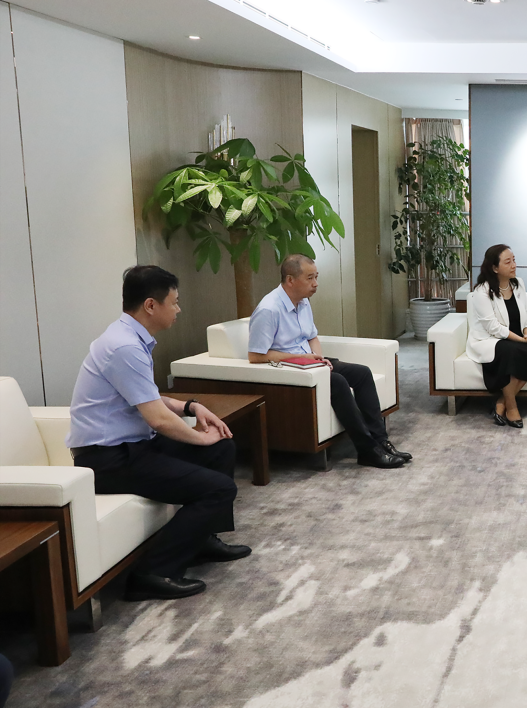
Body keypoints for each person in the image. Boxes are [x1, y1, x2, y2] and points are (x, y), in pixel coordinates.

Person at [67, 266, 250, 601]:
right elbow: (158, 420)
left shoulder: (130, 338)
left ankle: (202, 539)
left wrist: (191, 407)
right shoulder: (123, 347)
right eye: (175, 302)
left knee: (221, 448)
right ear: (151, 305)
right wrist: (199, 436)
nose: (179, 309)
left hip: (133, 447)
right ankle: (152, 573)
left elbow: (149, 397)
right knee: (218, 488)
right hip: (108, 460)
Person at [248, 254, 409, 469]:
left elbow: (312, 336)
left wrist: (320, 359)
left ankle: (381, 441)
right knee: (338, 381)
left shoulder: (303, 302)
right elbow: (256, 356)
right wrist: (303, 358)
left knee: (362, 373)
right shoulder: (268, 309)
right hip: (290, 369)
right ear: (290, 280)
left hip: (310, 363)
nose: (315, 284)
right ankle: (367, 450)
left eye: (316, 277)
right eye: (310, 278)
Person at [467, 244, 527, 429]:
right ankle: (512, 407)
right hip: (489, 340)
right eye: (508, 262)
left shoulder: (518, 284)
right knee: (510, 351)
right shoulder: (482, 292)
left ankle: (500, 403)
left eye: (514, 260)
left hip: (515, 339)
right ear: (495, 268)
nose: (514, 265)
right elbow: (493, 328)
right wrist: (522, 340)